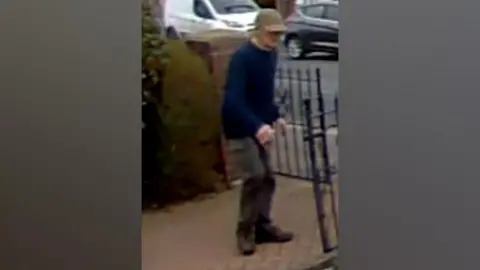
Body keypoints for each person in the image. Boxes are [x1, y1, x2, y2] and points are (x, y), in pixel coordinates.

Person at [221, 9, 294, 256]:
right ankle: (244, 232)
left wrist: (275, 116)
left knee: (268, 178)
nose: (276, 39)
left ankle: (262, 227)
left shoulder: (270, 55)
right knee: (254, 175)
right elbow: (233, 100)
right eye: (271, 34)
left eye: (279, 34)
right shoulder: (242, 58)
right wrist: (257, 126)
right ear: (258, 30)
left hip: (259, 125)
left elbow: (263, 95)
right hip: (239, 126)